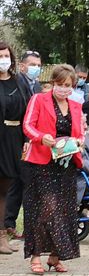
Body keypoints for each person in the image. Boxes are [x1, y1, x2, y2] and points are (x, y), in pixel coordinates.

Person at [22, 64, 84, 274]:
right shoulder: (39, 99)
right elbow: (28, 125)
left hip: (66, 164)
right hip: (41, 164)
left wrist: (79, 142)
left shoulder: (75, 106)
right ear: (53, 83)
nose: (64, 88)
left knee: (66, 210)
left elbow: (80, 132)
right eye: (60, 84)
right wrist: (42, 138)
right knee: (45, 208)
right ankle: (36, 254)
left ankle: (56, 256)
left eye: (68, 85)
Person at [4, 49, 42, 239]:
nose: (36, 68)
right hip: (15, 137)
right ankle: (8, 223)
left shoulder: (36, 87)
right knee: (14, 181)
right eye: (32, 64)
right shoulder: (18, 82)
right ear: (22, 65)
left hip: (30, 138)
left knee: (22, 181)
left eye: (38, 64)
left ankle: (16, 224)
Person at [0, 43, 30, 254]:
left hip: (15, 139)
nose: (3, 59)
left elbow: (29, 110)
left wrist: (28, 139)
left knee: (5, 189)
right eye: (0, 56)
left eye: (6, 55)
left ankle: (2, 236)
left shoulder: (19, 81)